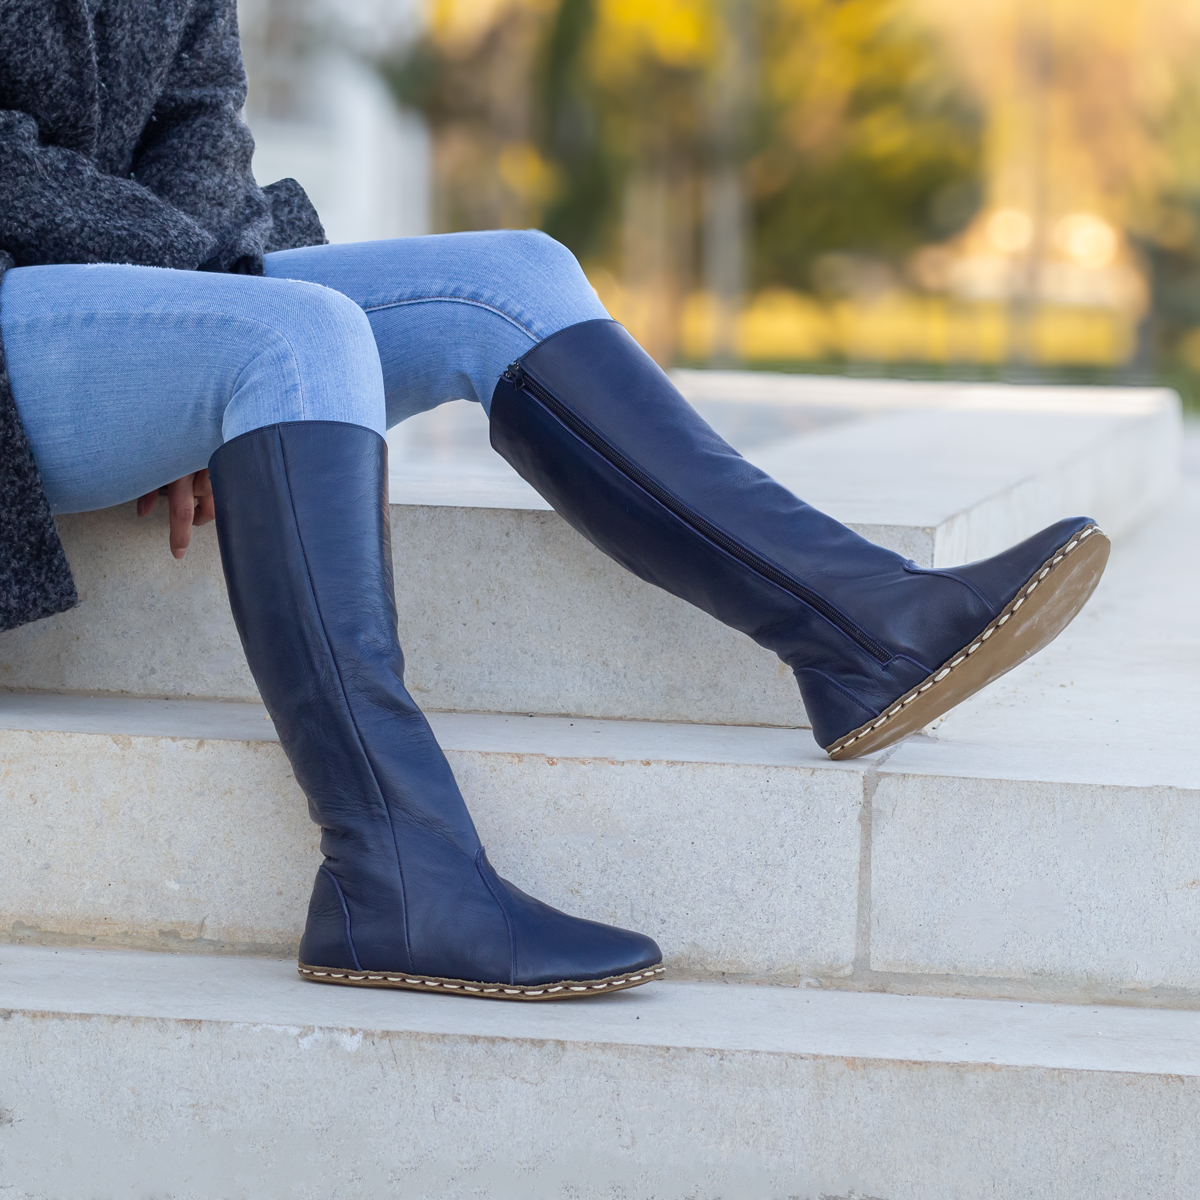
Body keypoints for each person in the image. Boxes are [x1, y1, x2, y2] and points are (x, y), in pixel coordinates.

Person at [0, 0, 1109, 1001]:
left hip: (132, 279)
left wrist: (184, 327)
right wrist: (200, 326)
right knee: (298, 330)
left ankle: (862, 629)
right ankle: (394, 875)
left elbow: (200, 125)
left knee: (513, 277)